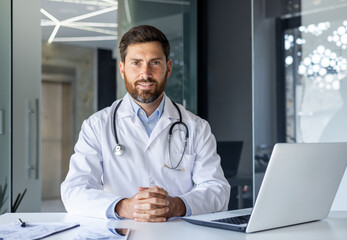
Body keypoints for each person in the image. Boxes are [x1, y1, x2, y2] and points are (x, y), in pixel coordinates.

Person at [61, 25, 230, 222]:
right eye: (136, 63)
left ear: (168, 68)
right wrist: (124, 207)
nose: (145, 73)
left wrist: (177, 205)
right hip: (122, 233)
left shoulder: (197, 128)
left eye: (155, 63)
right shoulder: (96, 126)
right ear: (122, 69)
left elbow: (217, 189)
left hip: (179, 233)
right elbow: (74, 190)